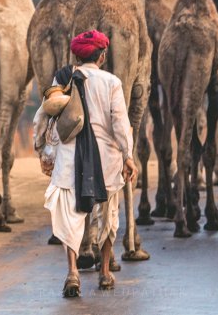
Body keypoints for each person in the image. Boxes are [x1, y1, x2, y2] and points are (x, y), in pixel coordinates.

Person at [40, 29, 138, 298]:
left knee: (70, 216)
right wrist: (128, 155)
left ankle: (72, 272)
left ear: (76, 56)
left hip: (70, 157)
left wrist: (44, 152)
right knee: (108, 215)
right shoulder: (112, 82)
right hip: (106, 159)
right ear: (103, 56)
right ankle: (105, 272)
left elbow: (45, 113)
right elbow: (120, 123)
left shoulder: (63, 78)